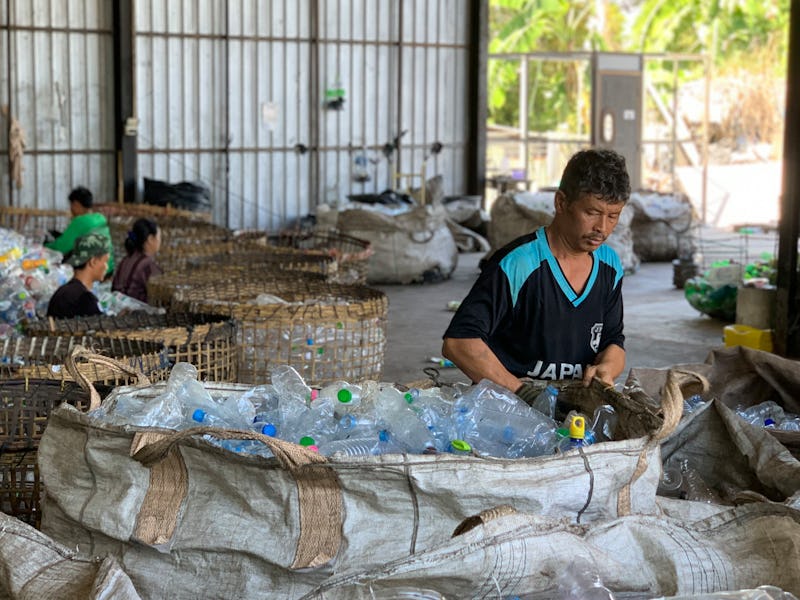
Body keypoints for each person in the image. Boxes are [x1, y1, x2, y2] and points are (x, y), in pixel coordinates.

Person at [442, 148, 630, 404]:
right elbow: (460, 343)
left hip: (573, 405)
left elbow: (613, 340)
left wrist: (607, 367)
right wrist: (522, 393)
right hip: (509, 407)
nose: (602, 228)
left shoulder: (610, 265)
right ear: (561, 202)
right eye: (592, 213)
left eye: (613, 216)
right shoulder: (519, 263)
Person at [45, 186, 114, 276]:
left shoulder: (80, 221)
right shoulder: (100, 218)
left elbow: (61, 247)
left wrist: (44, 246)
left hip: (94, 271)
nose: (71, 209)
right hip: (109, 267)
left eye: (71, 205)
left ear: (76, 204)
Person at [47, 232, 111, 318]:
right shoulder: (85, 300)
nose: (107, 267)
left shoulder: (61, 292)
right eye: (105, 261)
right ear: (93, 262)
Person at [112, 218, 163, 303]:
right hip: (136, 313)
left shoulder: (125, 260)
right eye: (159, 237)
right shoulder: (148, 266)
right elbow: (159, 296)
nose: (160, 241)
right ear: (150, 239)